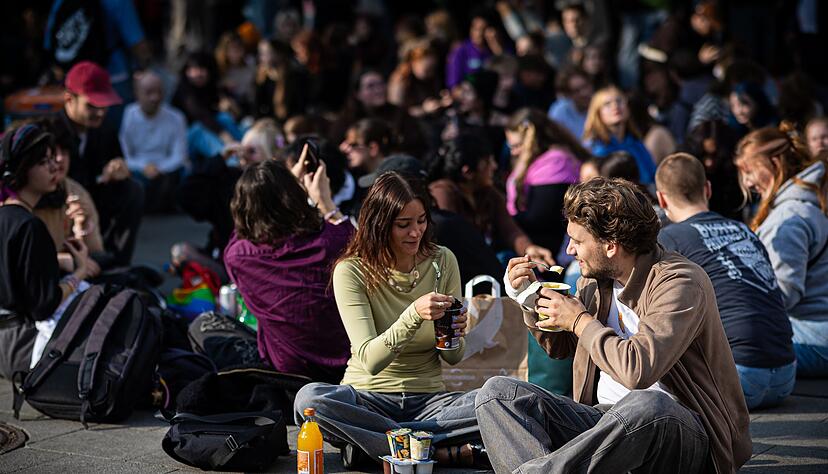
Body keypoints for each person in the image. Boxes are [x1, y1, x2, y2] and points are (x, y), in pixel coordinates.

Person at [478, 178, 751, 473]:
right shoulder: (594, 281)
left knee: (648, 405)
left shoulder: (680, 282)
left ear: (611, 245)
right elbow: (559, 348)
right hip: (604, 424)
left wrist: (580, 320)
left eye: (578, 241)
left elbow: (638, 372)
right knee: (498, 393)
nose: (569, 250)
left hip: (682, 432)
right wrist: (529, 299)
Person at [293, 172, 483, 469]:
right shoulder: (351, 271)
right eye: (403, 225)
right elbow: (370, 359)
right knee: (309, 400)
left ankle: (378, 447)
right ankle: (430, 450)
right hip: (368, 398)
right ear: (379, 226)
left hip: (430, 402)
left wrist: (454, 333)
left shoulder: (442, 260)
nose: (416, 232)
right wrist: (413, 315)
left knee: (497, 399)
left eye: (421, 221)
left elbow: (453, 357)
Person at [656, 153, 795, 409]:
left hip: (736, 380)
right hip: (786, 374)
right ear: (707, 188)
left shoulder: (670, 239)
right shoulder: (744, 230)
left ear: (662, 197)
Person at [224, 157, 351, 384]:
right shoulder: (332, 241)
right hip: (346, 365)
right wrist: (324, 201)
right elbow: (361, 246)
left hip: (289, 370)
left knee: (203, 326)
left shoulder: (239, 257)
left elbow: (241, 230)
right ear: (295, 197)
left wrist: (280, 184)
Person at [0, 124, 94, 379]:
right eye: (44, 162)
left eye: (54, 159)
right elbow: (44, 305)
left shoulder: (7, 216)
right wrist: (80, 270)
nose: (54, 168)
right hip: (21, 347)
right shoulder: (29, 226)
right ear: (22, 170)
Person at [734, 123, 828, 377]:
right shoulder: (802, 206)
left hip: (814, 337)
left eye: (750, 171)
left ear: (775, 164)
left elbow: (784, 292)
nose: (748, 181)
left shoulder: (790, 217)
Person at [59, 61, 144, 265]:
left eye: (104, 106)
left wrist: (118, 169)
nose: (100, 112)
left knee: (132, 190)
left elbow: (118, 159)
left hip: (96, 199)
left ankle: (117, 263)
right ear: (69, 99)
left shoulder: (104, 129)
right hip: (62, 205)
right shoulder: (52, 132)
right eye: (91, 105)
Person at [428, 132, 556, 267]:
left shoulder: (488, 193)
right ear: (468, 172)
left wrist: (529, 249)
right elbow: (453, 241)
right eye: (488, 162)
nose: (494, 166)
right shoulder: (442, 193)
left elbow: (509, 230)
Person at [505, 108, 590, 256]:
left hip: (549, 248)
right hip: (528, 240)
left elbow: (539, 217)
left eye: (517, 145)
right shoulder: (533, 159)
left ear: (532, 140)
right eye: (510, 146)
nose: (513, 152)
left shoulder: (556, 162)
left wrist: (504, 222)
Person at [119, 71, 188, 214]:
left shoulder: (176, 117)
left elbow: (179, 155)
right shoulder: (128, 115)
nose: (155, 97)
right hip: (137, 169)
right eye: (149, 92)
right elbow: (124, 153)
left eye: (159, 92)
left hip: (167, 170)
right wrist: (143, 167)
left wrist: (160, 168)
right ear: (137, 93)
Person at [583, 85, 657, 184]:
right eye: (607, 104)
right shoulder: (593, 148)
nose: (615, 106)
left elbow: (653, 175)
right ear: (598, 113)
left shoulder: (636, 142)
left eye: (619, 101)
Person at [547, 66, 594, 140]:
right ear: (567, 95)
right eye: (576, 91)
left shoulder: (604, 105)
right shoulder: (559, 112)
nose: (584, 93)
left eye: (585, 86)